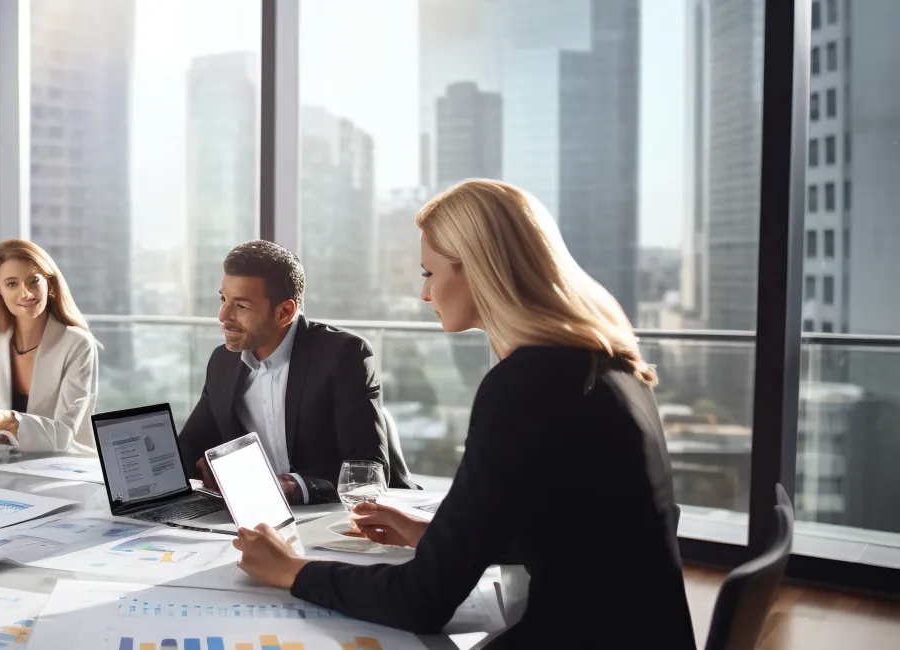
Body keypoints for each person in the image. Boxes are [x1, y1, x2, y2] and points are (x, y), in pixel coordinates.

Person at [232, 180, 695, 649]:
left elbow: (421, 601)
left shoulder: (524, 385)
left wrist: (292, 570)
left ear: (477, 267)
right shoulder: (608, 363)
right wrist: (432, 534)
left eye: (427, 273)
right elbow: (578, 531)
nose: (425, 295)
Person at [177, 240, 414, 505]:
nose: (223, 315)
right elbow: (189, 447)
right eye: (223, 299)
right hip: (260, 515)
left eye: (241, 306)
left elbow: (367, 472)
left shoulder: (344, 356)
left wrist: (294, 486)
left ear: (285, 311)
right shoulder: (223, 361)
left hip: (347, 516)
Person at [0, 239, 101, 454]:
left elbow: (63, 435)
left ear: (49, 283)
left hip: (62, 465)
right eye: (12, 284)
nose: (26, 294)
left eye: (33, 281)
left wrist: (6, 420)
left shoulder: (77, 344)